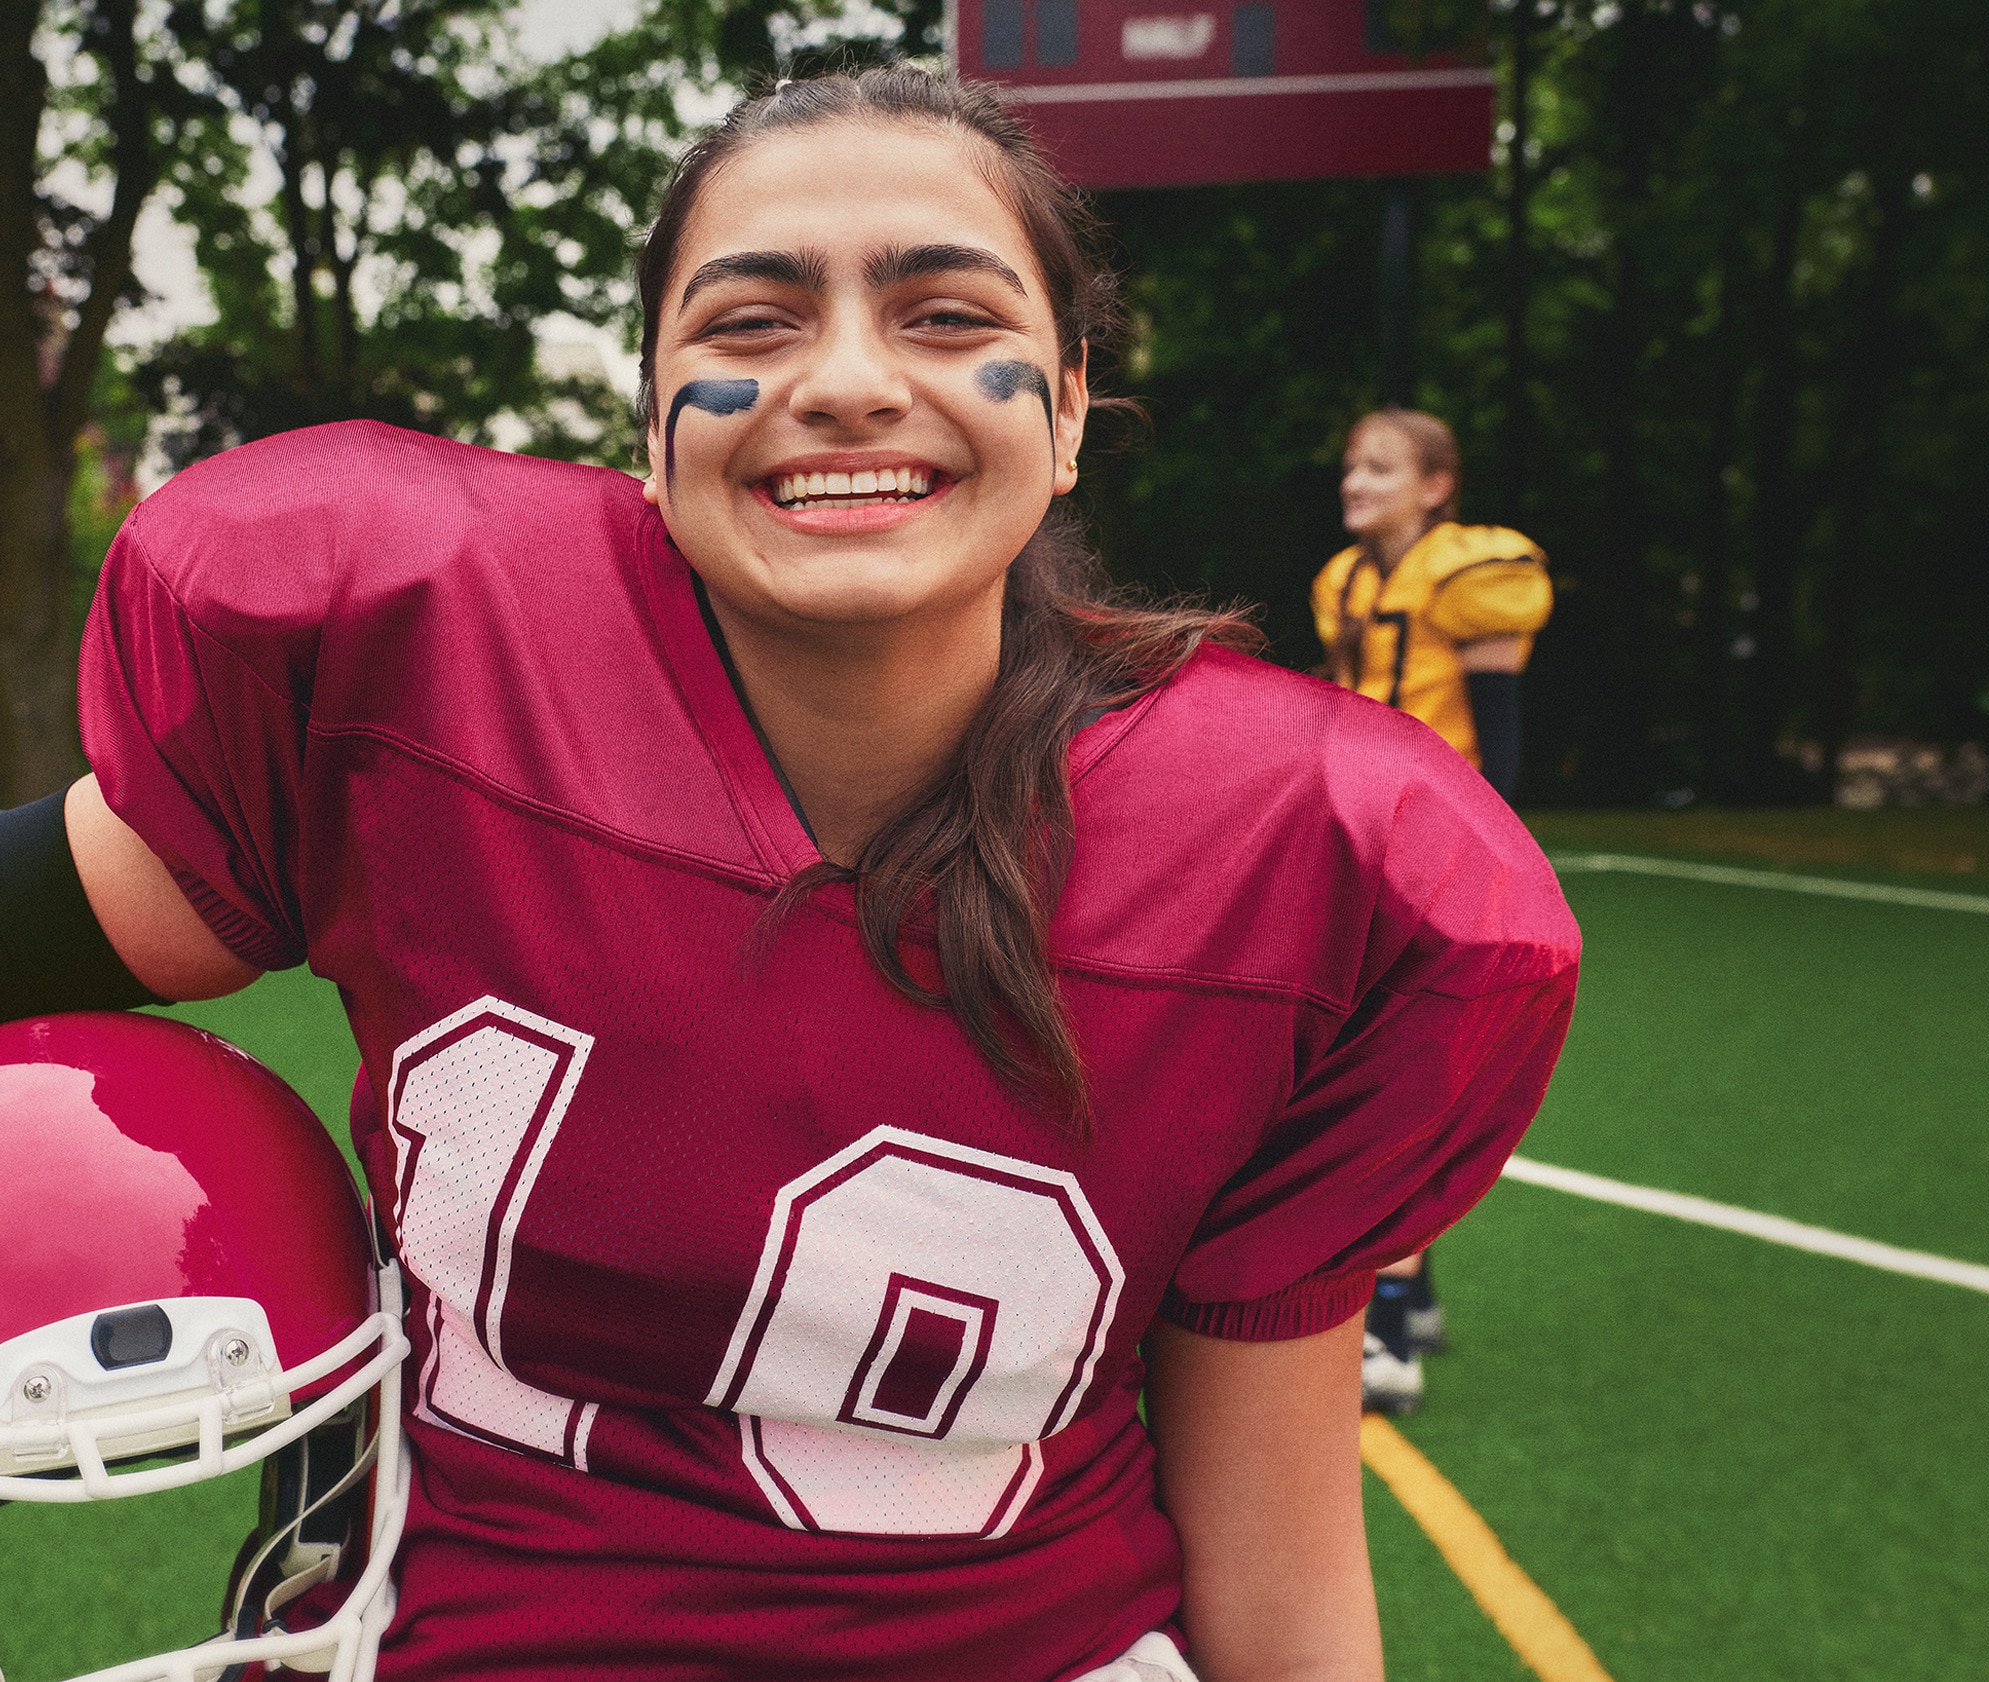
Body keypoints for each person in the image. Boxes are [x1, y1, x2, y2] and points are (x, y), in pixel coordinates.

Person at [0, 68, 1578, 1682]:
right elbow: (95, 902)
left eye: (947, 315)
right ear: (648, 416)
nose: (841, 382)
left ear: (1076, 407)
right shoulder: (415, 662)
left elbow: (1277, 1545)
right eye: (748, 325)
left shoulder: (1300, 851)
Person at [1311, 408, 1554, 1417]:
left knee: (1402, 1072)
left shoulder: (1472, 574)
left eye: (1381, 466)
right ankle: (1413, 1288)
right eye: (1350, 464)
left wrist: (1496, 858)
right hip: (1369, 827)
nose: (1355, 481)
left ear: (1438, 485)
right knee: (1363, 1059)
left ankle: (1390, 1323)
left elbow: (1498, 731)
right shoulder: (1344, 578)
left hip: (1443, 836)